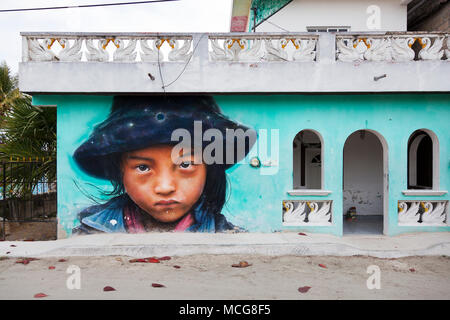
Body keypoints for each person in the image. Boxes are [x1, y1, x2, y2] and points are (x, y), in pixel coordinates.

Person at [71, 95, 255, 234]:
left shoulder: (227, 237)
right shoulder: (91, 231)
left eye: (185, 165)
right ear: (120, 171)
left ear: (208, 168)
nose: (165, 187)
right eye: (143, 167)